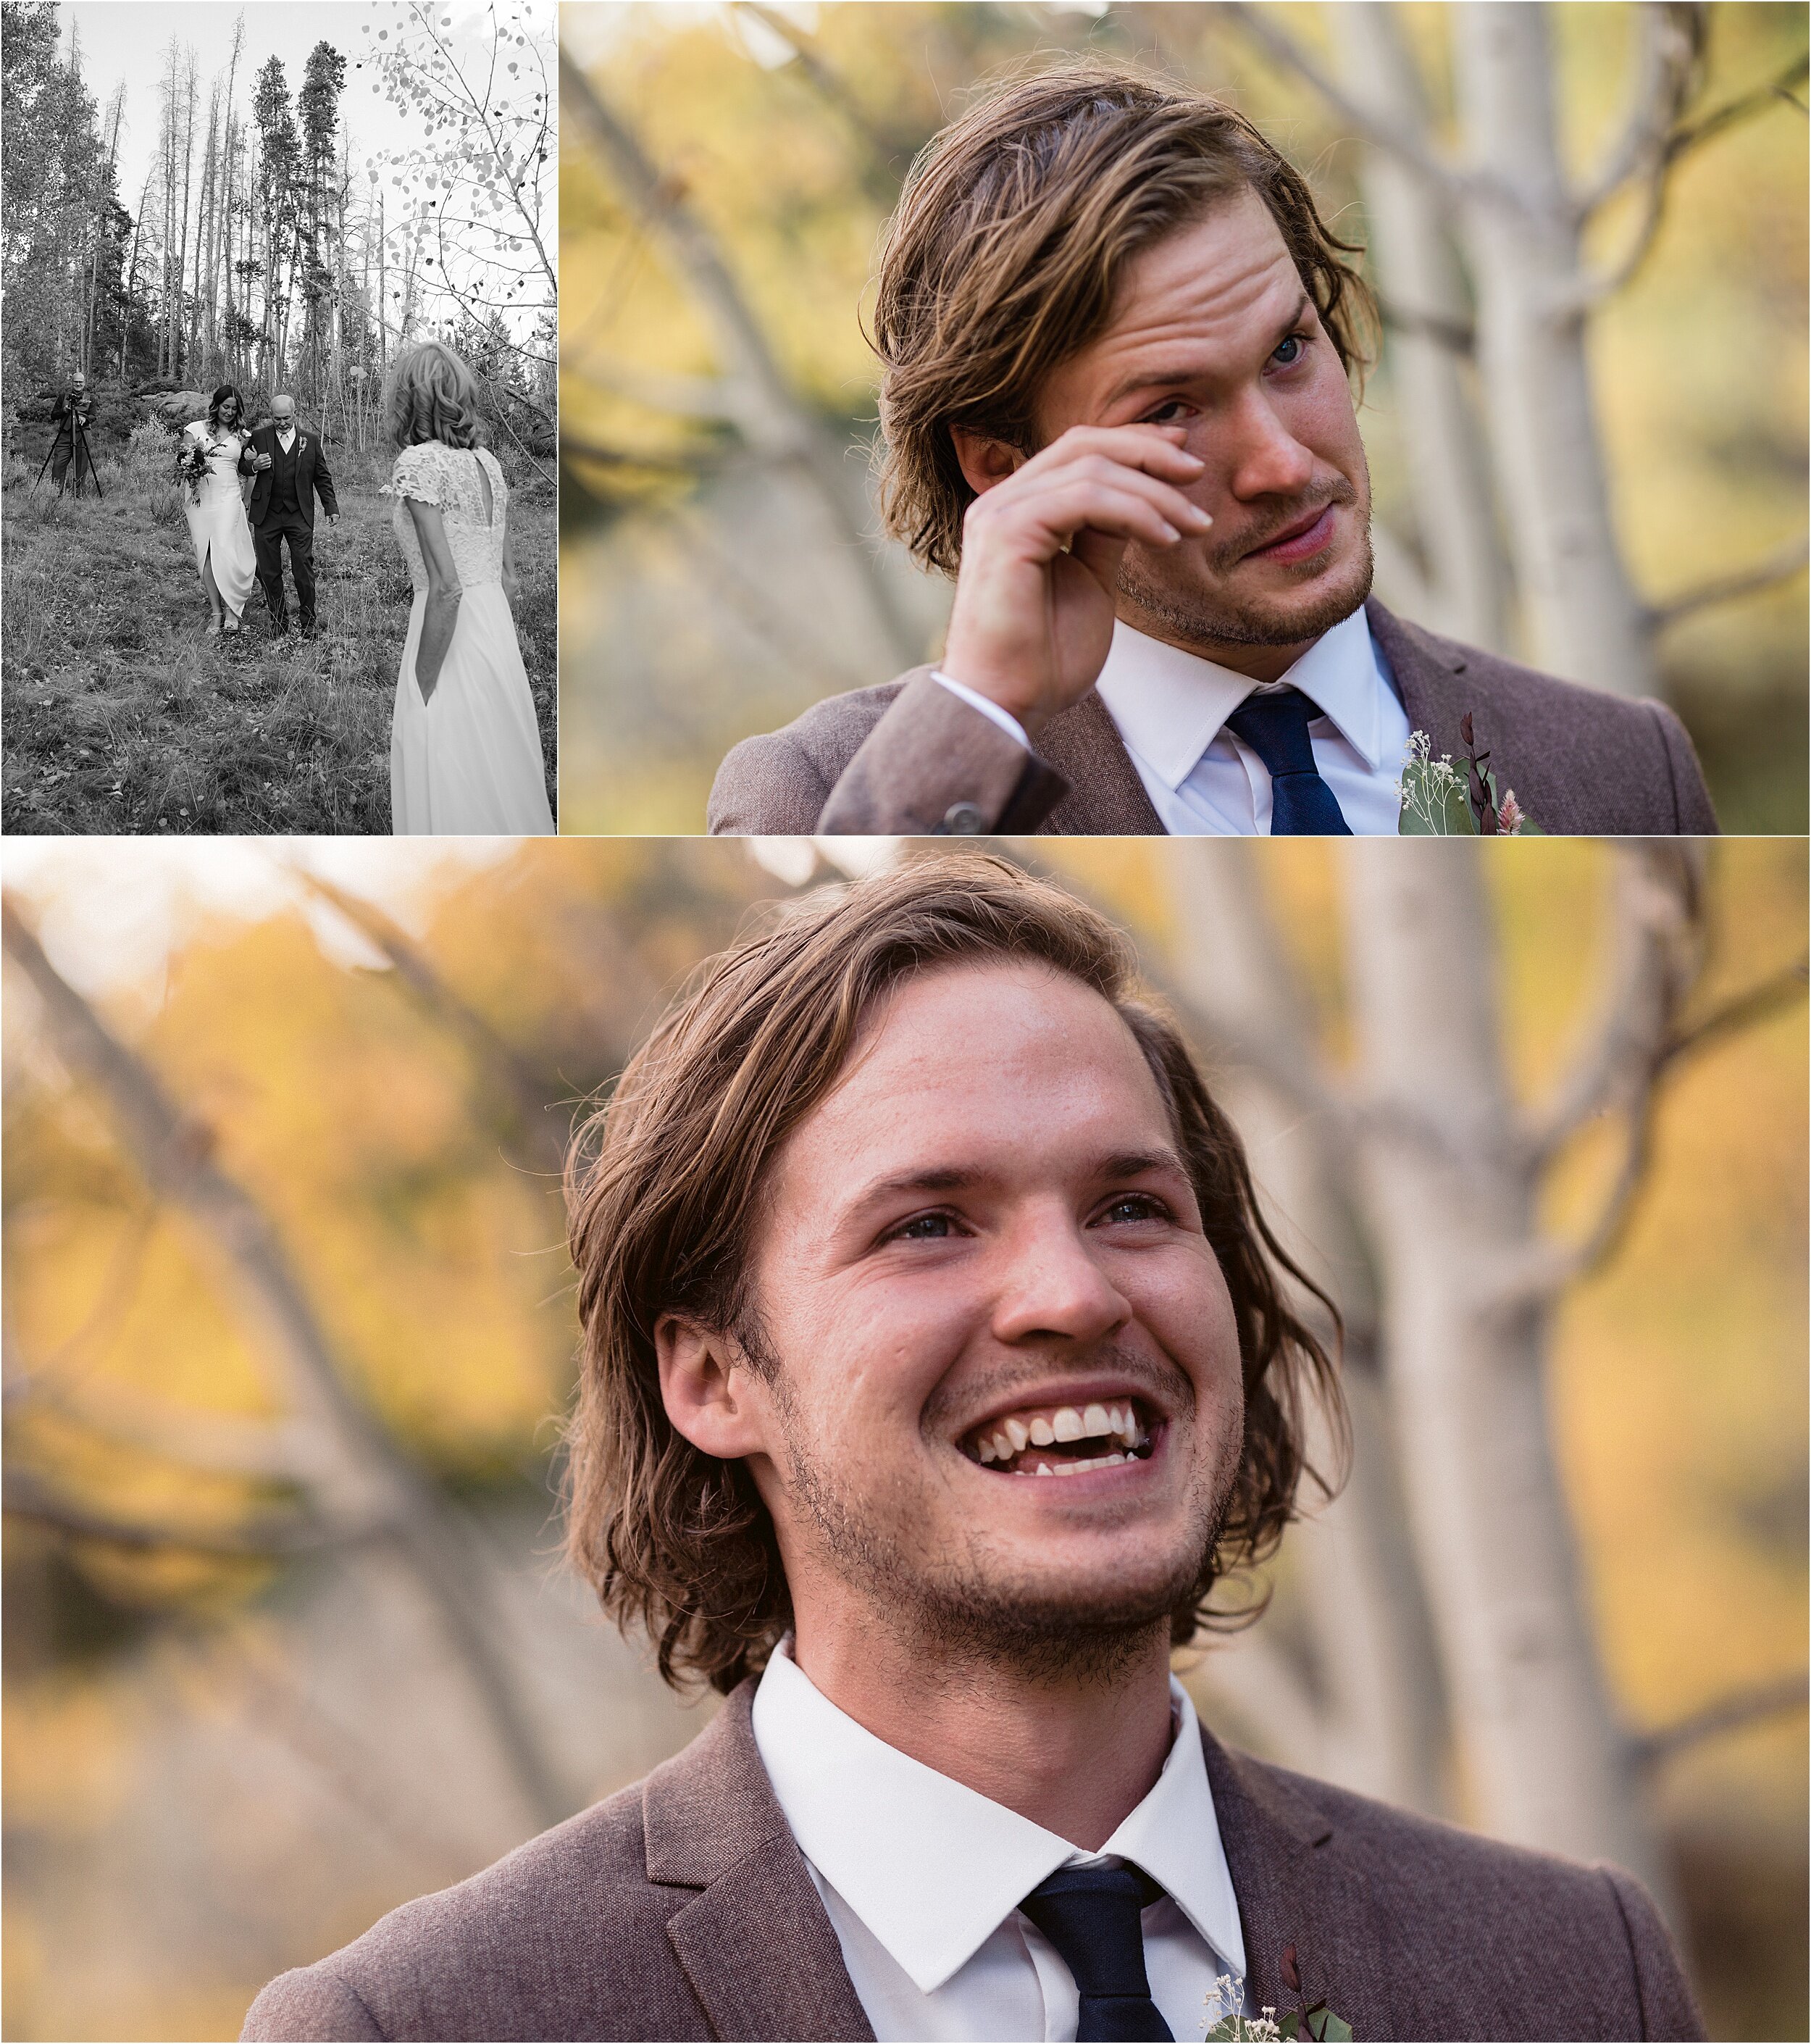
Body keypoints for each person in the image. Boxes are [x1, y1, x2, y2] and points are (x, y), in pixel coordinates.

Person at [241, 859, 1703, 2044]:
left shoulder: (1573, 1979)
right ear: (707, 1376)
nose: (1072, 1293)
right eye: (927, 1224)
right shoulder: (422, 2028)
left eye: (1131, 1205)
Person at [708, 66, 1718, 838]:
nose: (1281, 464)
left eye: (1288, 350)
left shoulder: (1628, 769)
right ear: (1007, 470)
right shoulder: (812, 800)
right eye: (1171, 411)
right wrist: (984, 711)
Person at [380, 340, 554, 835]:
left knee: (442, 756)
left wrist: (423, 681)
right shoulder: (489, 464)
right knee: (498, 769)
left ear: (410, 397)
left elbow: (447, 586)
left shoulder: (417, 464)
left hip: (447, 632)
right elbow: (507, 577)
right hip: (493, 632)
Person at [241, 393, 338, 638]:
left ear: (295, 413)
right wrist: (254, 466)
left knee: (303, 570)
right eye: (277, 419)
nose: (282, 423)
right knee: (269, 572)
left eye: (286, 418)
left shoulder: (311, 440)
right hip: (267, 515)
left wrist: (331, 507)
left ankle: (308, 623)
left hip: (299, 515)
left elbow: (322, 477)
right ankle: (278, 622)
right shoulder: (259, 437)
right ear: (270, 416)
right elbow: (241, 465)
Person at [179, 385, 259, 638]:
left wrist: (252, 472)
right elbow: (182, 462)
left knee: (225, 549)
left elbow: (246, 468)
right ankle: (217, 611)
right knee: (206, 554)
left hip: (228, 497)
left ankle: (234, 608)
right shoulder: (195, 430)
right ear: (217, 405)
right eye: (226, 407)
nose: (230, 412)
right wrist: (191, 471)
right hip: (200, 498)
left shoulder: (243, 434)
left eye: (234, 409)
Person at [48, 370, 96, 496]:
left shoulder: (91, 398)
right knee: (58, 465)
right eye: (76, 382)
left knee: (81, 466)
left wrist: (85, 419)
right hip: (64, 434)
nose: (78, 384)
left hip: (83, 434)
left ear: (84, 383)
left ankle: (77, 495)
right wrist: (64, 411)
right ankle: (56, 494)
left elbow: (93, 416)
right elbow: (53, 415)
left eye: (81, 382)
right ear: (72, 382)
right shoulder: (63, 396)